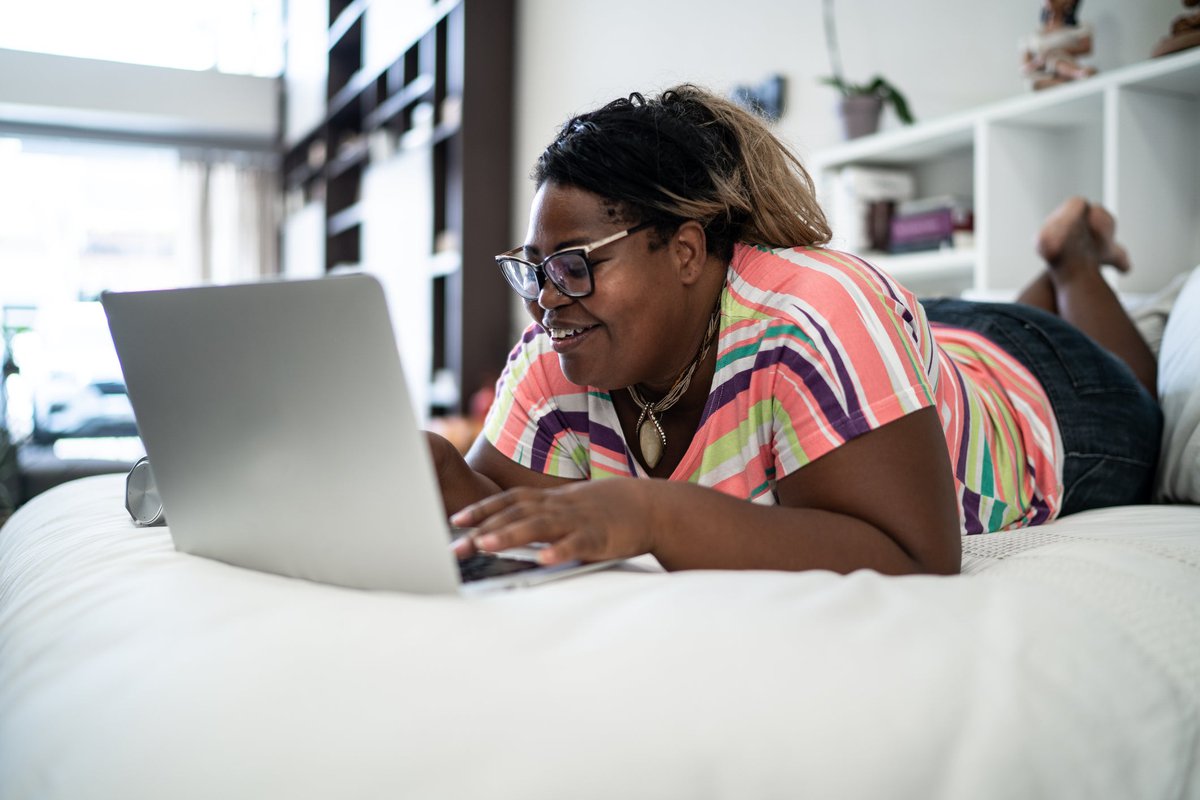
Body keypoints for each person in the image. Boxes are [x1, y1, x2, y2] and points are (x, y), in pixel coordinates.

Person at [425, 85, 1161, 577]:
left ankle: (1073, 260)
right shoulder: (566, 345)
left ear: (685, 251)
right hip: (918, 346)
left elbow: (915, 552)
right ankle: (1044, 278)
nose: (546, 301)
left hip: (1040, 390)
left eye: (574, 265)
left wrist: (652, 514)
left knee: (1147, 393)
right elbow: (501, 511)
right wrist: (420, 471)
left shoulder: (817, 312)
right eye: (533, 270)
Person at [1020, 0, 1097, 91]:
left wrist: (1057, 51)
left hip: (1064, 62)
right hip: (1042, 70)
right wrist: (1039, 62)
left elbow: (1086, 48)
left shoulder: (1078, 28)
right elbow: (1025, 65)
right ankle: (1067, 81)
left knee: (1053, 56)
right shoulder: (1034, 35)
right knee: (1030, 82)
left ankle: (1074, 73)